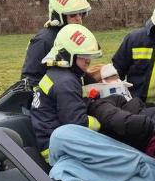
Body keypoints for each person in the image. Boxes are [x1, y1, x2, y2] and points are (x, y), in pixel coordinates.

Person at [30, 24, 103, 162]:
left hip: (48, 140)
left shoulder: (57, 73)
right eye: (83, 56)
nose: (88, 60)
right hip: (58, 151)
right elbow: (78, 124)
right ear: (68, 55)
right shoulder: (66, 82)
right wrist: (104, 121)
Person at [20, 0, 92, 86]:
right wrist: (56, 93)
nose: (79, 19)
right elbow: (30, 81)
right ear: (59, 15)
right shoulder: (43, 41)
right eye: (73, 15)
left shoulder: (73, 37)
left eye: (82, 14)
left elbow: (76, 71)